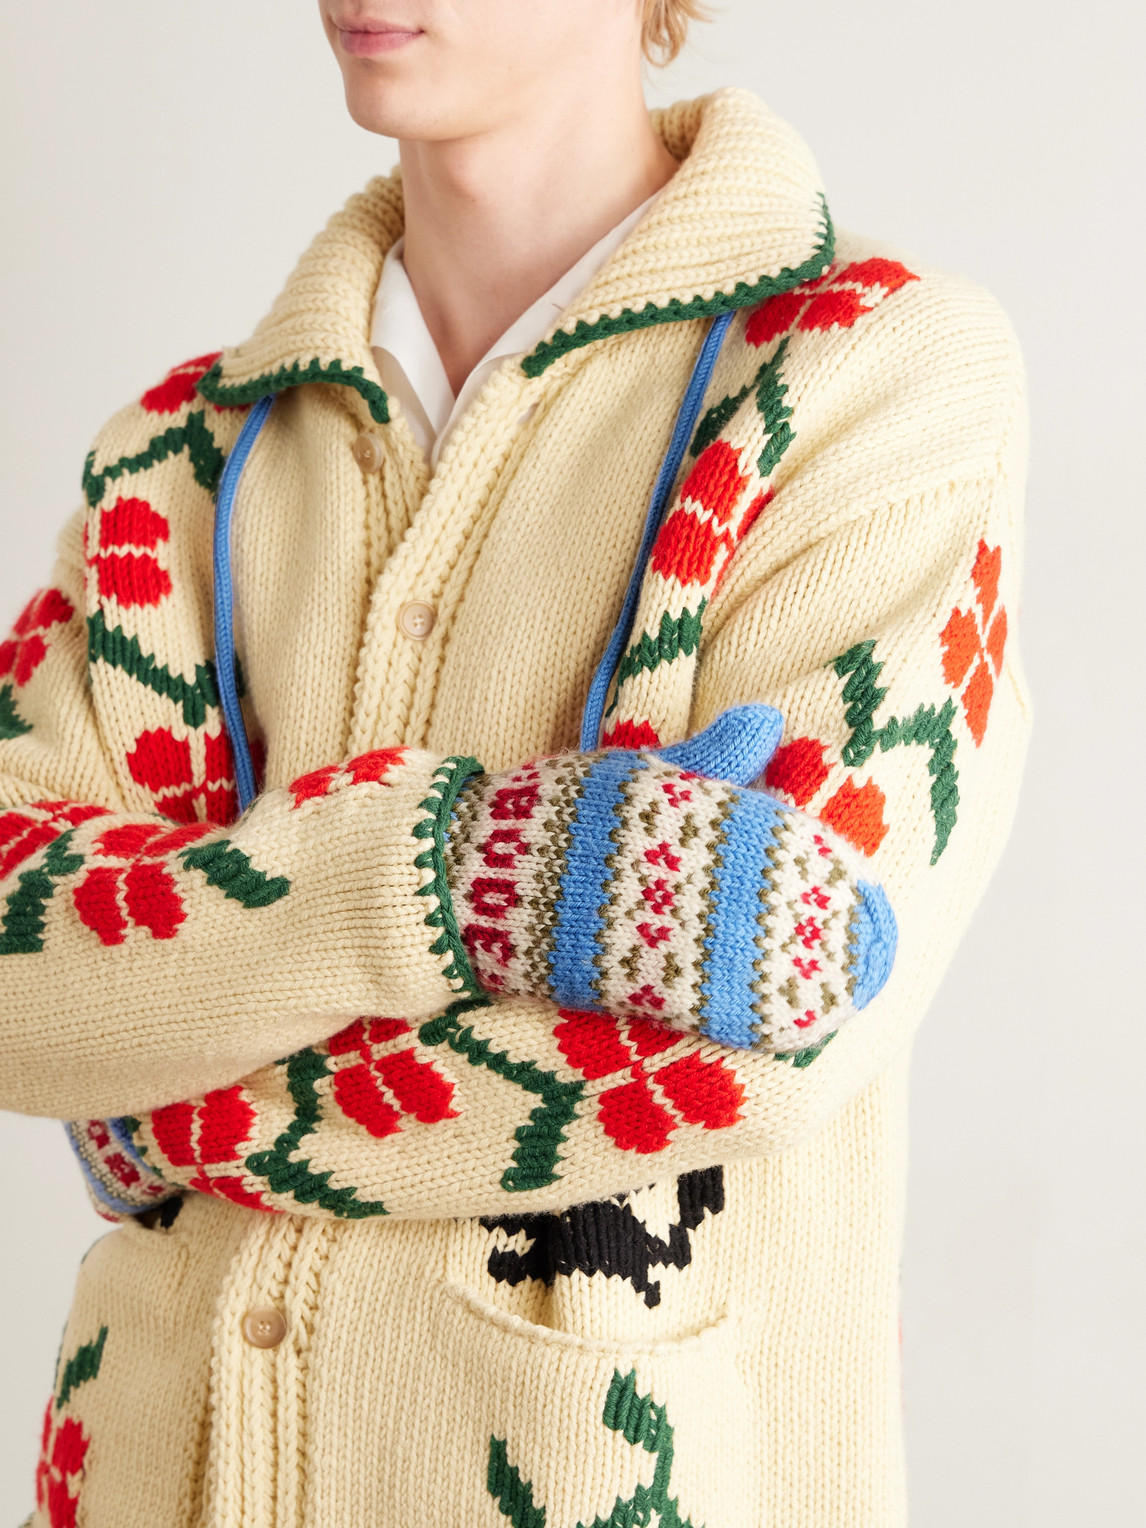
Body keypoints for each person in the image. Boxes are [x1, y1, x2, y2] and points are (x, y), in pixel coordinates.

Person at [1, 2, 1028, 1524]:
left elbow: (767, 1011)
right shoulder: (178, 458)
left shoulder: (870, 379)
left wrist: (165, 1082)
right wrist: (474, 878)